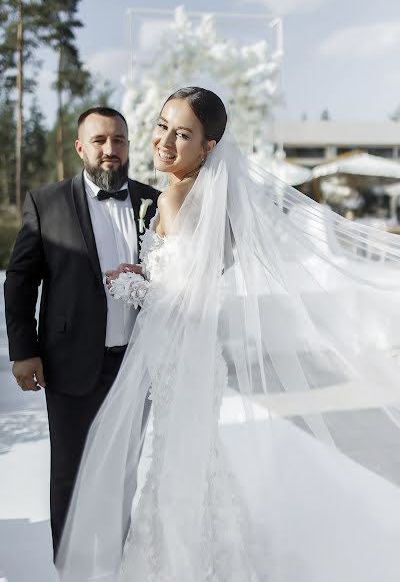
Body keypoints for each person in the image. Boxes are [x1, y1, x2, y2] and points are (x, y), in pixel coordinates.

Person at [58, 89, 400, 582]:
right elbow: (199, 276)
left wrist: (132, 285)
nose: (165, 142)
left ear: (209, 146)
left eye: (182, 134)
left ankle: (180, 566)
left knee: (176, 467)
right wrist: (152, 278)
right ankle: (209, 558)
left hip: (180, 356)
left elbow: (183, 298)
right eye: (161, 126)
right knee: (193, 462)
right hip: (195, 357)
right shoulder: (210, 199)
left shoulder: (176, 196)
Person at [3, 107, 160, 557]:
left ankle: (115, 558)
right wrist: (23, 350)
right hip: (69, 359)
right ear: (80, 148)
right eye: (100, 141)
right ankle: (70, 564)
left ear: (129, 146)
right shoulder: (45, 202)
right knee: (71, 470)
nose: (110, 150)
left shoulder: (154, 201)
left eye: (119, 141)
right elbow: (20, 279)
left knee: (124, 467)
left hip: (136, 362)